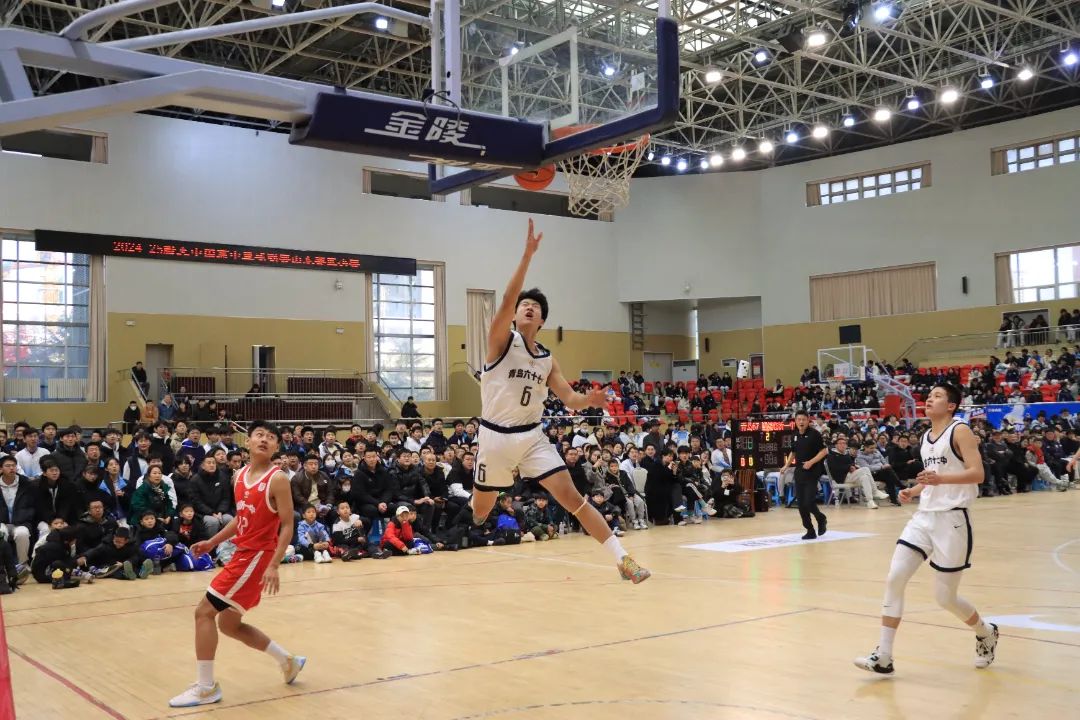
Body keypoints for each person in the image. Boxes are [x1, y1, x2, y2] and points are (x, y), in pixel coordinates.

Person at [470, 220, 648, 582]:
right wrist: (527, 255)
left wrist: (590, 399)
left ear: (542, 319)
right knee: (479, 512)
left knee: (573, 498)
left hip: (531, 437)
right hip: (494, 437)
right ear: (514, 314)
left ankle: (623, 560)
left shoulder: (547, 359)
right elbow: (506, 299)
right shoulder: (500, 341)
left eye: (535, 306)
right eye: (524, 305)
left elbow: (569, 398)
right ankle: (473, 501)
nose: (528, 308)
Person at [854, 383, 998, 675]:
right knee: (895, 578)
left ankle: (986, 632)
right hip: (923, 517)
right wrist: (915, 490)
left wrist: (938, 481)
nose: (929, 399)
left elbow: (977, 473)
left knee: (945, 598)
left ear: (951, 406)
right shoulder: (925, 437)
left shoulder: (960, 431)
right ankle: (884, 656)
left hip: (953, 519)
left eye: (937, 396)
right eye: (929, 395)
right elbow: (934, 476)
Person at [168, 421, 305, 708]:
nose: (265, 439)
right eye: (259, 435)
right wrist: (212, 542)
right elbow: (241, 519)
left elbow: (288, 525)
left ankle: (206, 687)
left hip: (257, 557)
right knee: (229, 625)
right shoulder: (239, 475)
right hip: (243, 553)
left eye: (271, 437)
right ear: (248, 441)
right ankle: (288, 661)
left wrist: (274, 564)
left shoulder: (278, 479)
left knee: (203, 613)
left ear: (277, 447)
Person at [787, 410, 828, 539]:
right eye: (799, 419)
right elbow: (793, 452)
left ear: (808, 420)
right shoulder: (794, 435)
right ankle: (810, 530)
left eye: (803, 419)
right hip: (799, 472)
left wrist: (811, 462)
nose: (801, 422)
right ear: (795, 421)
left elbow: (824, 451)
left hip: (812, 471)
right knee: (801, 505)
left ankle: (821, 518)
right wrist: (786, 465)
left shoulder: (814, 434)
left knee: (809, 502)